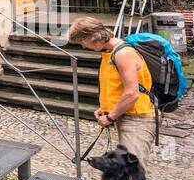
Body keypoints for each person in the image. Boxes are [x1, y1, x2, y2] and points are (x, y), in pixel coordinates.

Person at [67, 16, 157, 165]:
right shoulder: (109, 52)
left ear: (92, 37)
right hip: (127, 114)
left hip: (138, 118)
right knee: (126, 169)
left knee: (131, 171)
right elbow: (115, 86)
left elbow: (132, 93)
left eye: (83, 41)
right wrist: (106, 108)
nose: (84, 46)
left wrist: (110, 117)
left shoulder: (123, 54)